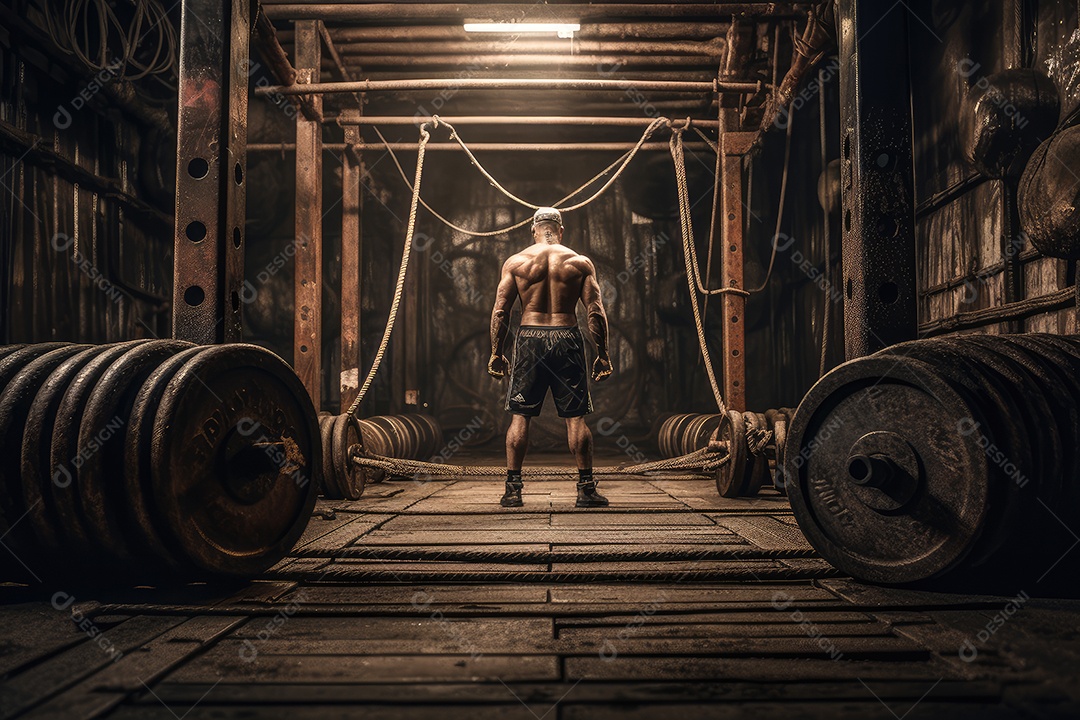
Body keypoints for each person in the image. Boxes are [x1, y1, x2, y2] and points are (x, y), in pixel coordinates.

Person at [487, 206, 613, 508]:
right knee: (575, 418)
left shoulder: (517, 262)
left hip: (530, 338)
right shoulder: (578, 262)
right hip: (566, 336)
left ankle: (513, 491)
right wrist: (603, 355)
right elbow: (594, 311)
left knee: (521, 416)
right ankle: (585, 490)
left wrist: (496, 352)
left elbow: (501, 311)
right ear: (561, 230)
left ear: (533, 229)